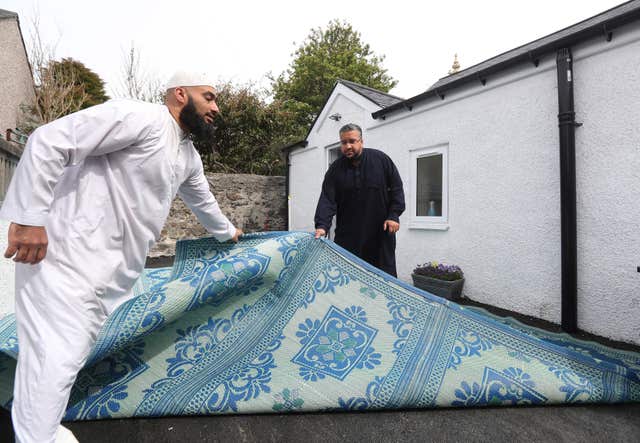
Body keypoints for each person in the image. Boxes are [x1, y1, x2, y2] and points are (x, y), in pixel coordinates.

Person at [1, 71, 243, 443]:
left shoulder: (187, 155)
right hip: (65, 259)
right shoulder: (140, 118)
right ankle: (38, 437)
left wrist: (229, 233)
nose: (216, 107)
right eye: (208, 97)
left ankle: (40, 430)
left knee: (58, 359)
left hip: (108, 275)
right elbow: (49, 140)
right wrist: (30, 220)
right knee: (57, 360)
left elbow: (203, 200)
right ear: (181, 94)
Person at [314, 123, 405, 277]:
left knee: (383, 278)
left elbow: (396, 189)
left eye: (352, 141)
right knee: (348, 278)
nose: (347, 146)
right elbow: (327, 200)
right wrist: (322, 226)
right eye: (343, 142)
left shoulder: (381, 160)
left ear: (361, 141)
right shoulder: (335, 170)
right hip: (348, 237)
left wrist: (394, 215)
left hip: (380, 234)